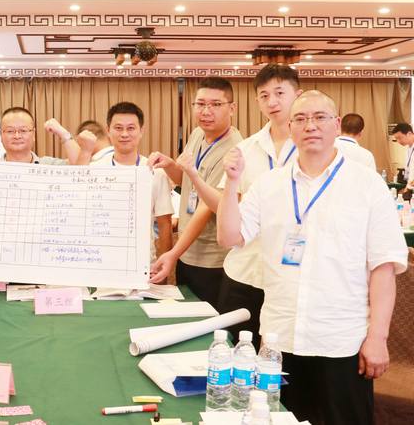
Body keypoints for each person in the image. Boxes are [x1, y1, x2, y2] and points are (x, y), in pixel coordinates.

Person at [217, 90, 407, 425]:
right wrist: (232, 184)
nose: (311, 126)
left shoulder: (366, 185)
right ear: (290, 128)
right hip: (280, 339)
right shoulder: (268, 184)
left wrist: (378, 338)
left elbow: (383, 268)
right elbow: (230, 237)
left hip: (342, 340)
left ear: (336, 125)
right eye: (301, 119)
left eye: (320, 117)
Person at [170, 64, 301, 348]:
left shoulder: (314, 150)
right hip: (244, 267)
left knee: (282, 356)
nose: (272, 102)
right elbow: (227, 210)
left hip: (293, 274)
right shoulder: (246, 150)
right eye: (264, 95)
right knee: (232, 347)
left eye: (280, 93)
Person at [148, 77, 243, 308]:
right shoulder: (198, 134)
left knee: (208, 321)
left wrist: (173, 253)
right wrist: (169, 164)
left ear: (232, 108)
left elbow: (207, 208)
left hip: (212, 259)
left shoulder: (234, 150)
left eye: (216, 104)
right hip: (187, 252)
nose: (206, 111)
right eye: (200, 104)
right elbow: (187, 182)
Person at [90, 102, 173, 261]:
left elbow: (165, 225)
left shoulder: (156, 172)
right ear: (108, 130)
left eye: (131, 128)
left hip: (143, 262)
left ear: (141, 131)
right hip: (101, 260)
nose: (124, 134)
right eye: (118, 128)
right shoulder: (94, 169)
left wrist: (163, 265)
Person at [0, 106, 91, 164]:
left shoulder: (49, 165)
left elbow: (78, 167)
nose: (17, 136)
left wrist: (63, 133)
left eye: (23, 130)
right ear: (1, 135)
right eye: (10, 131)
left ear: (33, 134)